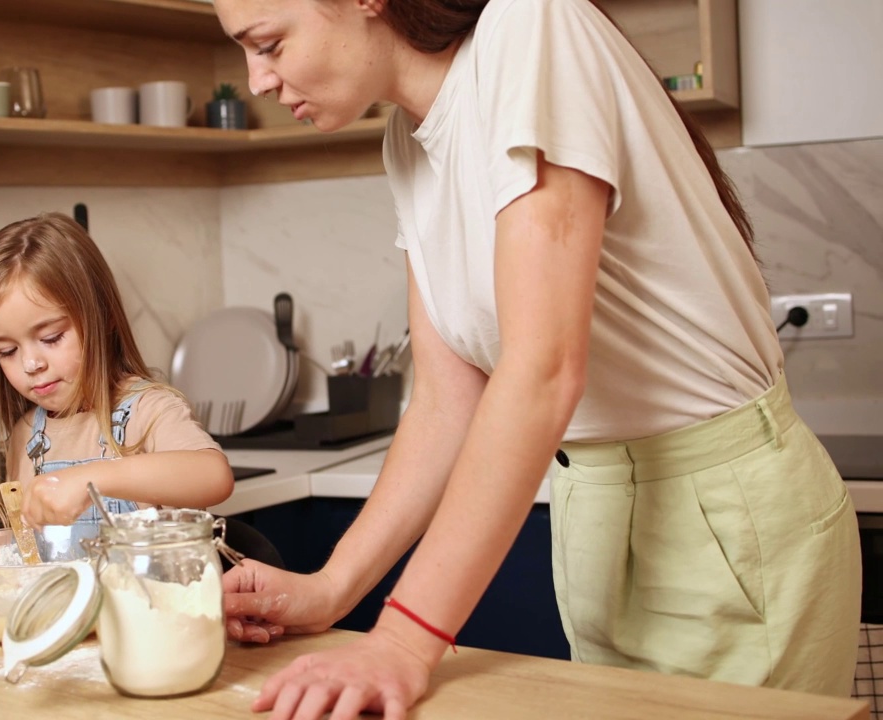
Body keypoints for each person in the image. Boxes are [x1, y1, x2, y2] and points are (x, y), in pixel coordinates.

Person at [212, 0, 861, 717]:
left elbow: (543, 369)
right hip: (595, 510)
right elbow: (444, 400)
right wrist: (331, 588)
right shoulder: (409, 138)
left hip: (727, 516)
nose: (257, 81)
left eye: (268, 43)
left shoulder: (531, 25)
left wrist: (401, 640)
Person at [0, 212, 233, 589]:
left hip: (152, 630)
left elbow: (213, 476)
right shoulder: (28, 436)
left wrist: (89, 480)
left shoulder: (148, 411)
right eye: (7, 350)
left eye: (50, 338)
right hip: (69, 633)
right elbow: (29, 554)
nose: (31, 364)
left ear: (105, 317)